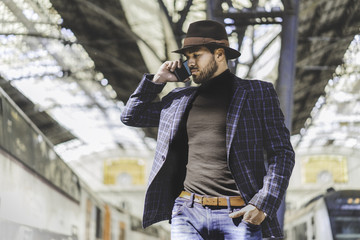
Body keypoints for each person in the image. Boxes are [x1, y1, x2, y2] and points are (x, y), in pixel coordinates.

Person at [121, 20, 295, 239]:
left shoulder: (258, 92)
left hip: (240, 214)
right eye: (187, 57)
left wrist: (263, 204)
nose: (190, 62)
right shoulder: (178, 99)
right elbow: (131, 116)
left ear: (220, 54)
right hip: (187, 211)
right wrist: (157, 81)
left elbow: (282, 153)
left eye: (196, 55)